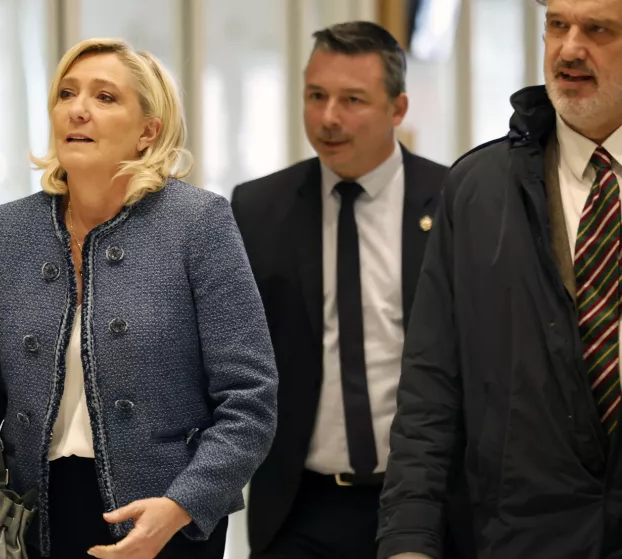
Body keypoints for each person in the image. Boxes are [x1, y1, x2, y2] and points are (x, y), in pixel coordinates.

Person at [0, 37, 278, 559]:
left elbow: (250, 400)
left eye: (105, 97)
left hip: (165, 524)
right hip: (27, 523)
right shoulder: (1, 233)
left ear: (148, 131)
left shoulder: (199, 224)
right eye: (67, 93)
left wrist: (181, 507)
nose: (78, 109)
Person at [377, 0, 622, 556]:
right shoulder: (477, 190)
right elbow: (430, 388)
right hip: (519, 536)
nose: (569, 48)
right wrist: (408, 540)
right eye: (557, 26)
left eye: (598, 30)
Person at [231, 21, 473, 559]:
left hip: (431, 503)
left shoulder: (455, 200)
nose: (328, 118)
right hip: (300, 507)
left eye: (352, 99)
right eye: (316, 96)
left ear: (398, 108)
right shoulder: (258, 209)